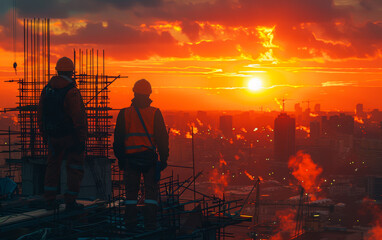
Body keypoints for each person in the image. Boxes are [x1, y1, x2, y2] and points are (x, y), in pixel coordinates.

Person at [113, 79, 169, 231]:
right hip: (149, 160)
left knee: (130, 195)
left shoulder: (125, 113)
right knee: (151, 194)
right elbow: (162, 138)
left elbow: (118, 139)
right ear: (149, 94)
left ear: (134, 93)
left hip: (130, 160)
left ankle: (130, 223)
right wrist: (164, 158)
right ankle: (150, 224)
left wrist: (121, 159)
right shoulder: (155, 113)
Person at [37, 57, 87, 211]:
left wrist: (45, 136)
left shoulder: (46, 90)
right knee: (74, 167)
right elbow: (78, 117)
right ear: (72, 72)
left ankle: (49, 200)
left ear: (57, 71)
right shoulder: (71, 91)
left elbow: (40, 116)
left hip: (53, 136)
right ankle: (70, 200)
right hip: (70, 137)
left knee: (52, 167)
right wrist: (81, 139)